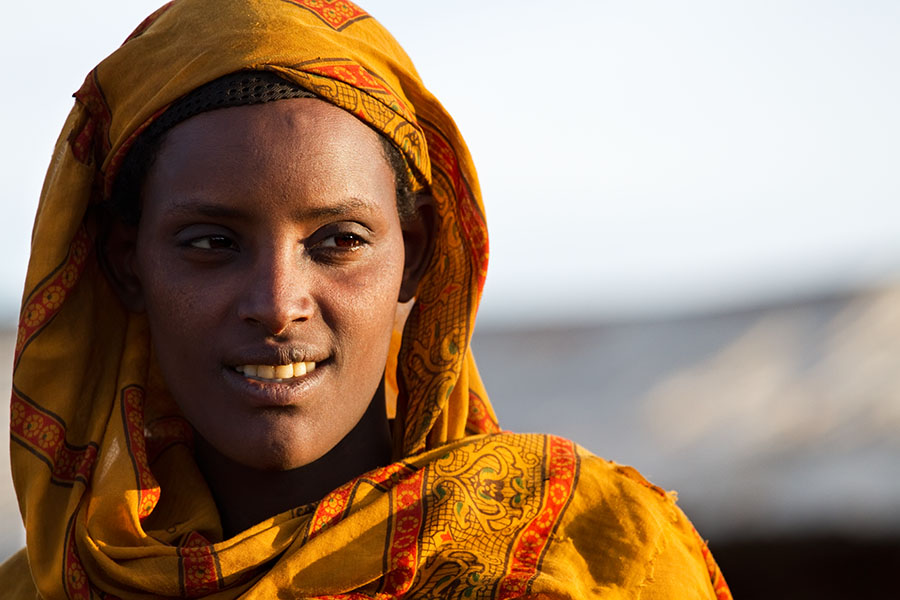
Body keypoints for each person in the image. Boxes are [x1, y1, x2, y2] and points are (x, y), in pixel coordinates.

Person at [1, 1, 732, 597]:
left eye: (338, 241)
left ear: (414, 256)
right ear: (127, 264)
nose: (277, 302)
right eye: (212, 244)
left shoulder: (592, 561)